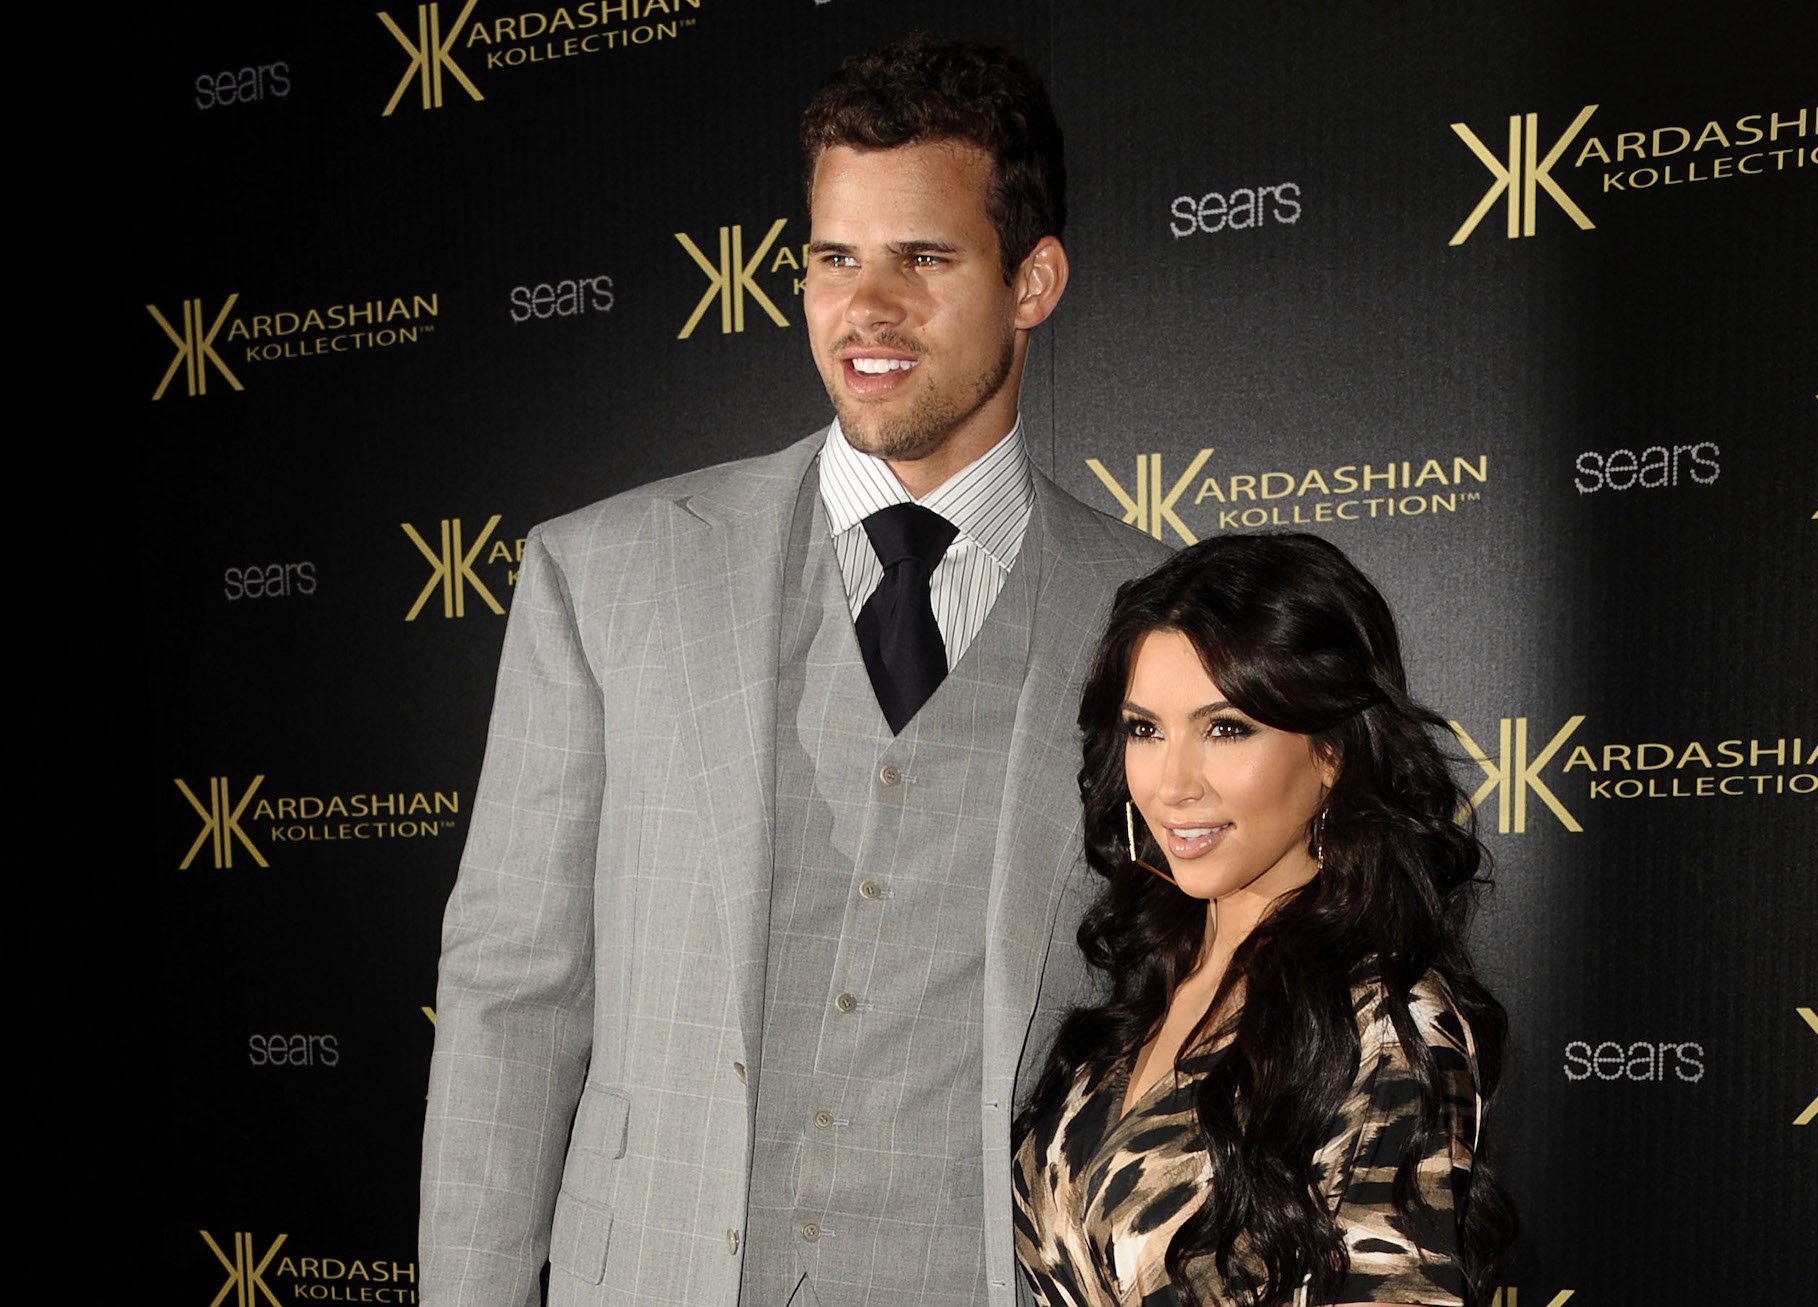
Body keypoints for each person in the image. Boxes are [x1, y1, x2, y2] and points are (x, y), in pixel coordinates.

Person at [418, 33, 1168, 1307]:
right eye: (833, 258)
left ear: (1031, 279)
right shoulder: (600, 574)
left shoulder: (1156, 612)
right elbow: (511, 999)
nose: (863, 309)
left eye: (922, 259)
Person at [1013, 533, 1511, 1307]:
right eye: (1146, 728)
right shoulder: (1157, 970)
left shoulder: (1387, 1020)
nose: (1172, 783)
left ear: (1332, 750)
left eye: (1226, 727)